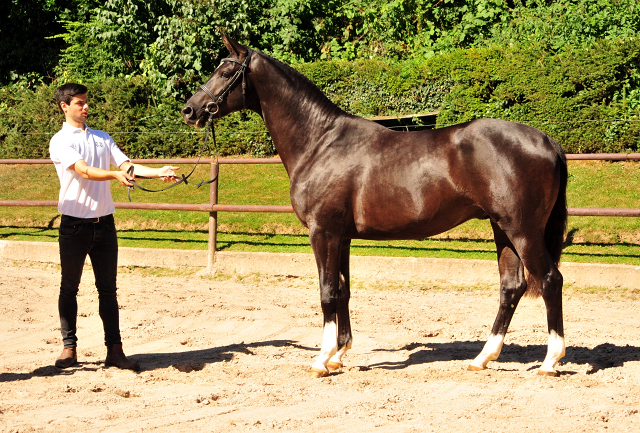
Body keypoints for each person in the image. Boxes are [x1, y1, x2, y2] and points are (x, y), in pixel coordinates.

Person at [49, 83, 179, 370]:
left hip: (104, 225)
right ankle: (68, 348)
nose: (85, 107)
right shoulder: (60, 141)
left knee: (108, 290)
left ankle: (115, 350)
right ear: (64, 106)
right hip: (74, 225)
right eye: (80, 103)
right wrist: (114, 175)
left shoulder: (101, 138)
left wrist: (158, 172)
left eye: (86, 102)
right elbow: (83, 170)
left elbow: (127, 165)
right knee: (69, 287)